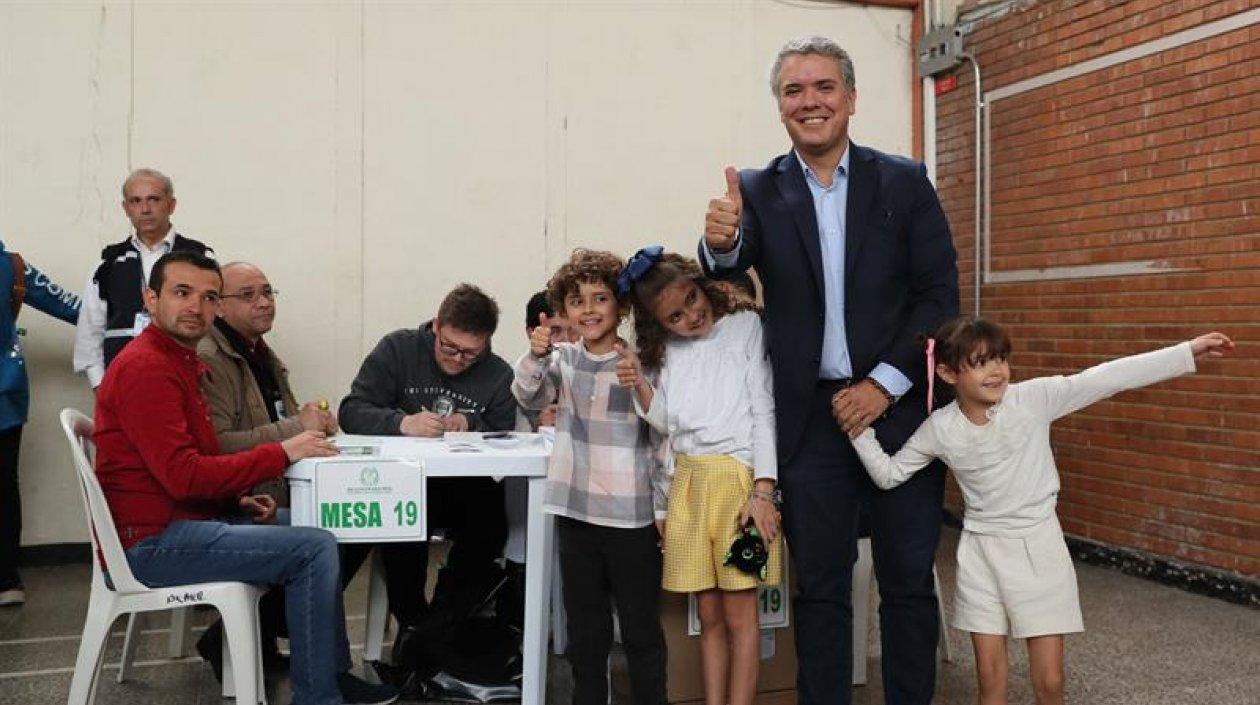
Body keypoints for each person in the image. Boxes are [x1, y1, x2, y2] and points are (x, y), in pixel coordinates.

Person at [700, 35, 960, 704]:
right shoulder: (759, 188)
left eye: (823, 87)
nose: (809, 101)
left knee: (906, 578)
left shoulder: (904, 179)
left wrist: (883, 384)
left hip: (900, 414)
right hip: (810, 421)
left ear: (849, 98)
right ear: (779, 105)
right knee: (819, 584)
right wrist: (719, 241)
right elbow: (727, 264)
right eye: (794, 90)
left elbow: (939, 296)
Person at [848, 318, 1233, 705]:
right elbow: (890, 474)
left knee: (1049, 682)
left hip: (1039, 548)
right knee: (989, 679)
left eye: (1000, 359)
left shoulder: (1034, 398)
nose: (996, 370)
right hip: (980, 554)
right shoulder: (939, 428)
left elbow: (1106, 377)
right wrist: (857, 432)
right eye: (981, 363)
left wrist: (1186, 352)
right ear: (947, 373)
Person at [93, 251, 397, 705]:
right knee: (313, 548)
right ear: (150, 299)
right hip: (150, 543)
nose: (196, 306)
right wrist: (281, 452)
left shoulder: (178, 360)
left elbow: (197, 458)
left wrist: (236, 499)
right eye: (182, 293)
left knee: (328, 527)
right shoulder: (147, 368)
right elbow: (184, 476)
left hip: (174, 523)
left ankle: (329, 679)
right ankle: (320, 695)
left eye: (208, 296)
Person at [618, 249, 781, 705]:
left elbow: (764, 409)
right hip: (688, 486)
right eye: (675, 315)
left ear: (700, 284)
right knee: (707, 614)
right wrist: (639, 384)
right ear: (659, 325)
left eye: (692, 298)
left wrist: (763, 490)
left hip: (738, 486)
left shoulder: (746, 327)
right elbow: (666, 424)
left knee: (741, 615)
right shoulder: (665, 351)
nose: (692, 314)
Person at [511, 249, 668, 705]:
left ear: (620, 306)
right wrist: (534, 355)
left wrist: (663, 507)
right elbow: (526, 395)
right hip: (576, 513)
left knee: (640, 632)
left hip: (631, 519)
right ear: (564, 310)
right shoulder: (562, 359)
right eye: (578, 301)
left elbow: (663, 431)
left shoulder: (642, 361)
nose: (590, 310)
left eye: (601, 298)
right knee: (586, 634)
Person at [338, 283, 516, 672]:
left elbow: (507, 429)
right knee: (402, 520)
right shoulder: (399, 349)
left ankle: (438, 625)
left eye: (471, 353)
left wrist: (470, 422)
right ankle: (414, 619)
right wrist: (402, 423)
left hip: (464, 488)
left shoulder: (498, 373)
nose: (458, 360)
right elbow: (351, 412)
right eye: (449, 347)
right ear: (436, 326)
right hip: (401, 482)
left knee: (491, 524)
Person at [195, 261, 338, 677]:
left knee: (351, 522)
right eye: (248, 295)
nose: (264, 302)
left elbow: (285, 422)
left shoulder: (260, 352)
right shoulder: (210, 356)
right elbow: (217, 446)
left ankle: (244, 636)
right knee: (333, 533)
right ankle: (312, 668)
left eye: (269, 292)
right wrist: (299, 427)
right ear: (219, 306)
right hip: (242, 496)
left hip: (268, 487)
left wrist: (315, 421)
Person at [73, 168, 215, 389]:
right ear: (126, 208)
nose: (145, 209)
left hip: (187, 381)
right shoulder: (108, 262)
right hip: (122, 382)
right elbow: (90, 333)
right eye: (136, 201)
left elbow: (214, 325)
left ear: (171, 205)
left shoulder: (200, 257)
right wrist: (102, 387)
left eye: (154, 200)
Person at [0, 241, 80, 607]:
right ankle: (5, 579)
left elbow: (73, 308)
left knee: (2, 483)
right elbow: (70, 307)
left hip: (4, 394)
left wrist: (139, 317)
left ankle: (4, 577)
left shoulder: (10, 265)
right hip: (6, 390)